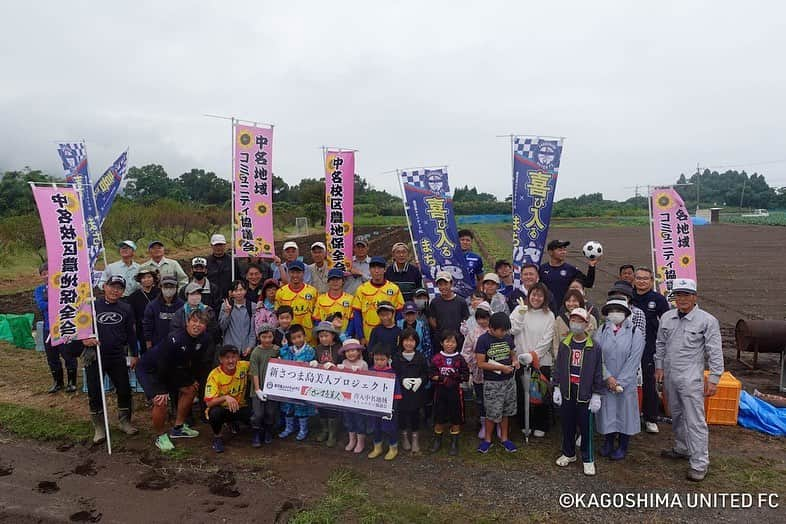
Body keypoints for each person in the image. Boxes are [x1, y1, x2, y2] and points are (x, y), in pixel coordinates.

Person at [654, 278, 723, 482]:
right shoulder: (667, 317)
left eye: (686, 295)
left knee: (695, 420)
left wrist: (714, 378)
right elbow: (660, 344)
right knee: (675, 414)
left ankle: (699, 463)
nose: (682, 299)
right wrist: (659, 367)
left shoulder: (707, 321)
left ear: (695, 297)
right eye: (678, 295)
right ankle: (682, 448)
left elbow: (715, 352)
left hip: (691, 377)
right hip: (670, 374)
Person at [136, 309, 210, 452]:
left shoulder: (205, 339)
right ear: (187, 323)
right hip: (151, 368)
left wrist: (191, 379)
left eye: (201, 323)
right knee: (160, 400)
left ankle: (178, 427)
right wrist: (161, 390)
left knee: (190, 390)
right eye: (194, 321)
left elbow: (194, 361)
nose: (197, 325)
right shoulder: (175, 338)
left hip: (173, 369)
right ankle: (160, 436)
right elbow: (162, 364)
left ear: (205, 326)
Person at [82, 275, 139, 444]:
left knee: (124, 389)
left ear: (123, 291)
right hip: (94, 354)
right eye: (112, 286)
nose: (115, 290)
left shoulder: (126, 308)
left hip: (117, 355)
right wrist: (84, 339)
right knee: (94, 391)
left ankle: (124, 421)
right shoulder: (92, 305)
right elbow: (80, 327)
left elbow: (131, 333)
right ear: (104, 287)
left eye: (119, 288)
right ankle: (99, 427)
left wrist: (134, 354)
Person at [552, 307, 604, 476]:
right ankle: (568, 453)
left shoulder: (593, 347)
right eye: (573, 320)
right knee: (567, 423)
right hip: (568, 390)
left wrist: (597, 394)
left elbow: (598, 371)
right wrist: (557, 387)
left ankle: (588, 458)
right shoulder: (565, 344)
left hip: (585, 392)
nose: (575, 324)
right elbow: (559, 367)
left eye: (579, 321)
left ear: (586, 324)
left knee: (586, 425)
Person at [595, 297, 645, 460]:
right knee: (608, 412)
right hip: (606, 380)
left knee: (625, 413)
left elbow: (634, 359)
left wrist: (620, 381)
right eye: (611, 311)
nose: (615, 314)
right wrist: (608, 377)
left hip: (626, 382)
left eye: (619, 311)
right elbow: (596, 356)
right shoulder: (601, 330)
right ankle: (608, 442)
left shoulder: (634, 332)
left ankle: (623, 445)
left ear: (625, 313)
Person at [510, 282, 555, 437]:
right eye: (533, 294)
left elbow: (547, 338)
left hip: (541, 361)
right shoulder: (519, 309)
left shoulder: (549, 315)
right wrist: (521, 315)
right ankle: (523, 422)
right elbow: (512, 330)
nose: (536, 298)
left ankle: (540, 424)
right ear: (529, 296)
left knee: (540, 393)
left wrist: (534, 355)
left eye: (540, 295)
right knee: (523, 393)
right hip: (521, 359)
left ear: (545, 298)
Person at [631, 266, 670, 434]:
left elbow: (667, 323)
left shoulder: (658, 300)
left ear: (651, 281)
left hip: (649, 347)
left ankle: (650, 418)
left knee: (648, 382)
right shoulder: (628, 296)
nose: (641, 281)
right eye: (638, 278)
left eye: (645, 278)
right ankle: (631, 415)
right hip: (628, 347)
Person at [475, 313, 519, 454]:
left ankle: (504, 438)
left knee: (506, 411)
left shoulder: (507, 338)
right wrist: (501, 368)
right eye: (501, 330)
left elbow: (512, 353)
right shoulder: (483, 340)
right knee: (492, 412)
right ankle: (487, 440)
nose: (504, 333)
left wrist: (515, 361)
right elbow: (481, 363)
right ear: (492, 328)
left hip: (509, 381)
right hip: (493, 383)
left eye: (506, 330)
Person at [35, 263, 80, 393]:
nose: (47, 275)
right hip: (48, 328)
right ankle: (58, 382)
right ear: (41, 276)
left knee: (68, 354)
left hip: (64, 327)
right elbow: (42, 305)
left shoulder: (64, 287)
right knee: (52, 356)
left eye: (49, 272)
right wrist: (56, 302)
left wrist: (57, 301)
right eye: (44, 274)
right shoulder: (40, 290)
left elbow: (70, 302)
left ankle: (72, 382)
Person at [429, 330, 470, 456]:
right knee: (439, 418)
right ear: (442, 343)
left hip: (455, 393)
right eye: (447, 341)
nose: (450, 344)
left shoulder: (460, 358)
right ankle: (437, 441)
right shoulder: (437, 358)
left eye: (453, 342)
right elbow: (431, 375)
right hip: (440, 392)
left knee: (455, 418)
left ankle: (454, 443)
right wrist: (442, 378)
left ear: (457, 343)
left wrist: (456, 377)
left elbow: (466, 375)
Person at [204, 345, 252, 453]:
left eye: (234, 357)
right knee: (214, 413)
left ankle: (234, 423)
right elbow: (209, 402)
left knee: (256, 416)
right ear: (220, 359)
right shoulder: (214, 375)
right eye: (227, 357)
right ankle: (217, 437)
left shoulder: (244, 366)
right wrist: (225, 398)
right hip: (223, 409)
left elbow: (261, 363)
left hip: (241, 407)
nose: (231, 361)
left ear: (238, 358)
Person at [351, 256, 404, 345]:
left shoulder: (394, 288)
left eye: (379, 267)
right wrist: (361, 337)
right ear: (369, 270)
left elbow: (399, 314)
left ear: (384, 269)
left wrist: (398, 333)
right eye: (373, 268)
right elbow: (357, 314)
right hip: (368, 337)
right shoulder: (362, 289)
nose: (376, 271)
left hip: (390, 336)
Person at [277, 324, 317, 440]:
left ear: (304, 336)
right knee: (288, 405)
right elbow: (285, 360)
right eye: (294, 338)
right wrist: (284, 348)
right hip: (290, 383)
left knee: (301, 407)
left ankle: (303, 429)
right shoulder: (289, 349)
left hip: (303, 383)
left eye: (299, 337)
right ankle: (289, 428)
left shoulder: (310, 350)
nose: (297, 340)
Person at [393, 328, 429, 454]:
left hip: (416, 393)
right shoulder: (397, 357)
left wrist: (420, 380)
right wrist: (402, 380)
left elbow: (426, 373)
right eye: (406, 340)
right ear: (402, 342)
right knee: (402, 415)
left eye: (412, 341)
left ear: (416, 342)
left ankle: (415, 438)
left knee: (415, 415)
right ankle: (404, 437)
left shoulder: (420, 357)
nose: (409, 343)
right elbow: (394, 374)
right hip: (401, 393)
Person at [460, 302, 491, 439]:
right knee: (481, 399)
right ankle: (484, 423)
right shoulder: (473, 333)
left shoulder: (495, 330)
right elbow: (465, 352)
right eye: (479, 318)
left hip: (494, 372)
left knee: (494, 398)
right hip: (479, 372)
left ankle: (495, 423)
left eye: (485, 318)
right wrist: (475, 362)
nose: (482, 321)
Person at [539, 239, 598, 311]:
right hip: (546, 309)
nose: (563, 252)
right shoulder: (542, 269)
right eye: (560, 250)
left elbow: (588, 283)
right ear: (550, 252)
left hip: (564, 311)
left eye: (564, 250)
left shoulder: (571, 270)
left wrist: (591, 267)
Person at [310, 321, 343, 447]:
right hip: (321, 384)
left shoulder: (339, 348)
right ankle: (325, 430)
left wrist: (336, 366)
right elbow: (315, 361)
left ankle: (333, 434)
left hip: (335, 384)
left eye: (326, 335)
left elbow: (343, 364)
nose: (323, 338)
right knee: (321, 408)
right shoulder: (317, 349)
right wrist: (314, 363)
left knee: (332, 409)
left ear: (333, 335)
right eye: (321, 336)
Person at [366, 345, 402, 460]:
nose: (379, 362)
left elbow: (396, 391)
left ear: (388, 359)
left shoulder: (392, 373)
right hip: (374, 405)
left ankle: (393, 448)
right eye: (377, 359)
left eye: (382, 359)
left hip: (388, 406)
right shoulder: (370, 371)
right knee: (375, 426)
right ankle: (377, 447)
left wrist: (394, 405)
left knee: (390, 427)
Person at [249, 323, 280, 447]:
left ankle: (268, 431)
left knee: (271, 412)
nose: (267, 340)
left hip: (272, 387)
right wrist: (257, 389)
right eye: (264, 337)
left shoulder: (276, 350)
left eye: (269, 337)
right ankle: (256, 433)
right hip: (258, 387)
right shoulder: (256, 352)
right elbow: (254, 371)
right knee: (258, 414)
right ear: (259, 337)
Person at [274, 260, 318, 343]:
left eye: (298, 272)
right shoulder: (281, 292)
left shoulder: (312, 291)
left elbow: (316, 315)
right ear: (288, 273)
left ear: (303, 273)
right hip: (289, 337)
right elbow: (277, 314)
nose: (295, 275)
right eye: (292, 272)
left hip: (309, 337)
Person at [339, 339, 368, 453]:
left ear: (359, 352)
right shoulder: (344, 363)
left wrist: (360, 372)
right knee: (348, 419)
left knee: (359, 420)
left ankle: (361, 441)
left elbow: (368, 381)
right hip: (346, 397)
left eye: (353, 350)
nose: (350, 353)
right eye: (347, 351)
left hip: (359, 398)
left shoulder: (363, 364)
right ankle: (352, 440)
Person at [427, 271, 469, 350]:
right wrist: (440, 330)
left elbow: (466, 319)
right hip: (441, 342)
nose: (443, 287)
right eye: (440, 284)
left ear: (451, 283)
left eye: (445, 284)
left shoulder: (461, 301)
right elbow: (432, 318)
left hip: (458, 342)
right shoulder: (435, 302)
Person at [553, 289, 598, 359]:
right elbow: (556, 343)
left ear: (580, 302)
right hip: (565, 360)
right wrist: (558, 359)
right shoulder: (559, 320)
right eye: (568, 301)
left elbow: (595, 340)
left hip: (585, 359)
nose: (571, 304)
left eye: (574, 301)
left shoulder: (590, 319)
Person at [142, 275, 184, 350]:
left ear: (176, 288)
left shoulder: (182, 305)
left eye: (171, 287)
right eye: (166, 286)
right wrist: (148, 343)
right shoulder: (152, 306)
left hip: (178, 344)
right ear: (161, 287)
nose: (168, 289)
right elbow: (147, 325)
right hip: (157, 345)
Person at [219, 280, 256, 359]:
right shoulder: (225, 306)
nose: (239, 293)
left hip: (246, 350)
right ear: (231, 293)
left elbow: (253, 329)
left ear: (245, 291)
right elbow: (222, 327)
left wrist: (250, 346)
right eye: (236, 290)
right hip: (229, 349)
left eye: (241, 290)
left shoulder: (252, 306)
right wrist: (227, 313)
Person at [126, 267, 160, 355]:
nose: (146, 279)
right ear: (140, 280)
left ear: (153, 278)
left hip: (159, 330)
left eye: (149, 277)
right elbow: (132, 317)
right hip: (142, 332)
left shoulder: (160, 293)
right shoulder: (133, 297)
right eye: (143, 278)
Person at [314, 269, 354, 336]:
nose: (335, 282)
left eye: (338, 279)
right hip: (326, 337)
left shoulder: (350, 299)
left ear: (343, 281)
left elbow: (352, 320)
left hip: (344, 336)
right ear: (328, 282)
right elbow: (317, 320)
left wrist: (347, 335)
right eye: (332, 280)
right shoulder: (321, 299)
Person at [205, 233, 241, 301]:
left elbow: (238, 278)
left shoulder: (232, 261)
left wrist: (234, 290)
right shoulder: (206, 262)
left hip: (229, 297)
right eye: (216, 245)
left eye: (221, 245)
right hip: (211, 298)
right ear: (211, 246)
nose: (218, 248)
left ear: (225, 245)